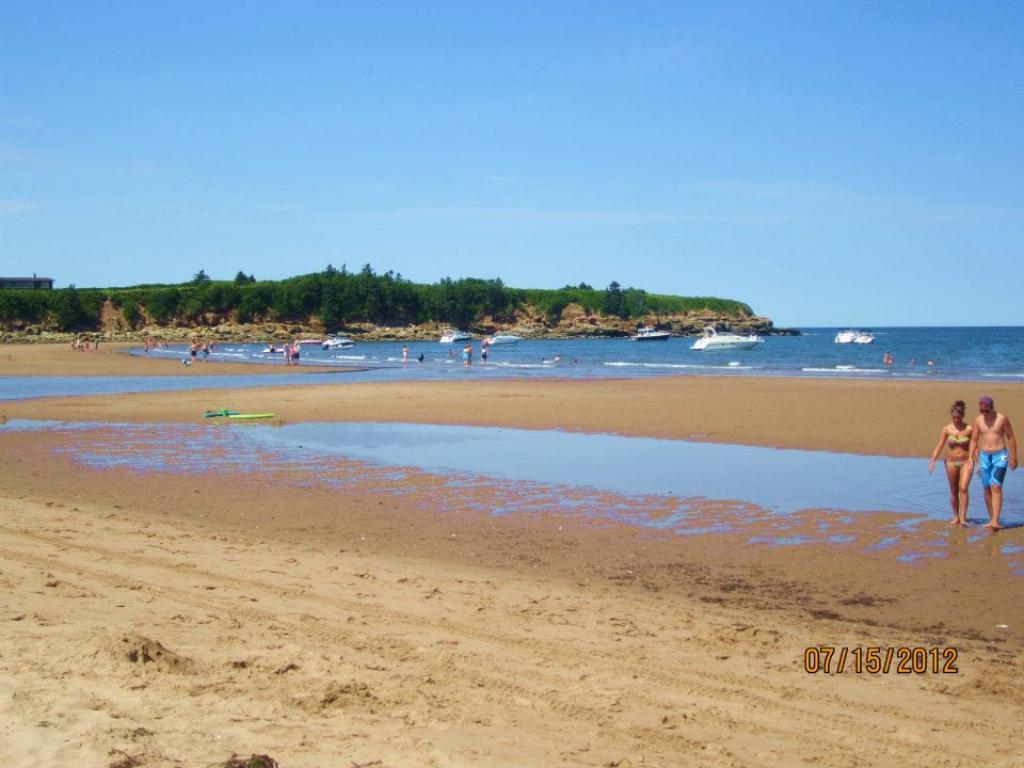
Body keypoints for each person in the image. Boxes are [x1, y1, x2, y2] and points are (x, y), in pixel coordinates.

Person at [969, 396, 1018, 530]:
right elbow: (973, 440)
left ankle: (996, 521)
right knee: (986, 488)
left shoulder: (1002, 419)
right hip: (985, 456)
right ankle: (992, 518)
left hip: (1000, 455)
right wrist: (970, 457)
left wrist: (1014, 457)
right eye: (981, 411)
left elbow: (1011, 437)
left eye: (986, 411)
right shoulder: (978, 420)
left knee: (995, 486)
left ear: (992, 408)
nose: (984, 413)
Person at [928, 400, 973, 526]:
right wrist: (933, 461)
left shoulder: (969, 429)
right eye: (954, 418)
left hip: (966, 462)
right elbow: (940, 445)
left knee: (963, 488)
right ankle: (956, 516)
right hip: (951, 463)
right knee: (954, 490)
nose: (956, 420)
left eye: (958, 418)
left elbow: (975, 447)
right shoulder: (947, 429)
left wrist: (978, 463)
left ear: (962, 416)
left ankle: (963, 517)